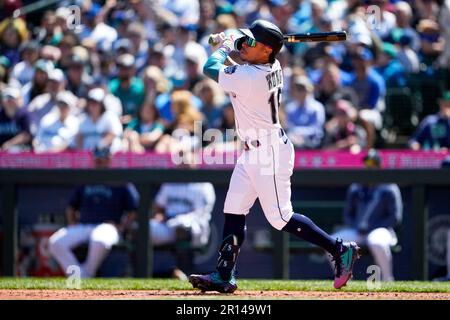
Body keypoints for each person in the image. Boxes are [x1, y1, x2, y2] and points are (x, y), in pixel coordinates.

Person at [188, 19, 360, 294]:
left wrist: (227, 45)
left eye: (252, 42)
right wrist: (238, 43)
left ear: (268, 50)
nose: (246, 45)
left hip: (268, 152)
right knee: (233, 209)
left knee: (281, 218)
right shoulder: (270, 65)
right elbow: (243, 59)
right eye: (247, 40)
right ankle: (224, 274)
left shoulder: (251, 78)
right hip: (252, 151)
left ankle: (339, 249)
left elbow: (210, 68)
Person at [48, 147, 139, 278]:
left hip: (107, 226)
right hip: (84, 225)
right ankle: (79, 276)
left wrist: (123, 227)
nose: (99, 163)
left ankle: (86, 274)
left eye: (102, 160)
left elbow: (133, 209)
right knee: (55, 243)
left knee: (99, 240)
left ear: (109, 160)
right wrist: (72, 223)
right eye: (97, 160)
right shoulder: (87, 178)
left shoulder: (120, 180)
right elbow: (71, 206)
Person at [331, 149, 403, 281]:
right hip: (358, 231)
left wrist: (372, 227)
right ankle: (343, 277)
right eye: (367, 163)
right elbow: (347, 214)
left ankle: (388, 279)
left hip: (381, 230)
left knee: (377, 243)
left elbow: (394, 217)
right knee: (332, 243)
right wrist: (357, 227)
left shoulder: (389, 187)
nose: (369, 167)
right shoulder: (357, 187)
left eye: (373, 164)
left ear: (379, 166)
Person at [0, 86, 31, 151]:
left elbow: (26, 135)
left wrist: (9, 144)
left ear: (18, 100)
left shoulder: (24, 114)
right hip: (2, 150)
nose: (10, 102)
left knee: (14, 149)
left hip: (20, 150)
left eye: (12, 98)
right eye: (7, 99)